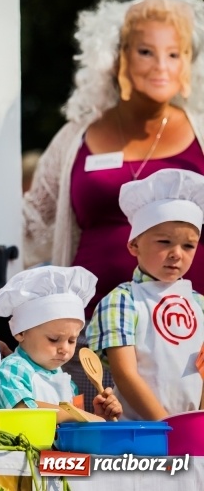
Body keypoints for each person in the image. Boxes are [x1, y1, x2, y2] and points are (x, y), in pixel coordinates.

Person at [22, 0, 204, 411]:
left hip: (186, 342)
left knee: (188, 456)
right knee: (103, 459)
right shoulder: (75, 138)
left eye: (174, 54)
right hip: (86, 341)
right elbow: (34, 223)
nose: (161, 65)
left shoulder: (200, 134)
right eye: (146, 51)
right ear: (117, 56)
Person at [88, 168, 204, 420]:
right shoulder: (121, 301)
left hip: (193, 431)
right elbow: (125, 374)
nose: (177, 254)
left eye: (188, 246)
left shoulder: (199, 303)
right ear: (134, 245)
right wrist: (167, 425)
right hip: (139, 432)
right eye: (164, 242)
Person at [0, 265, 122, 423]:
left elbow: (71, 428)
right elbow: (25, 411)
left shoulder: (67, 382)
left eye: (72, 340)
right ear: (20, 332)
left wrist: (100, 417)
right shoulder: (12, 369)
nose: (65, 349)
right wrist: (86, 418)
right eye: (53, 339)